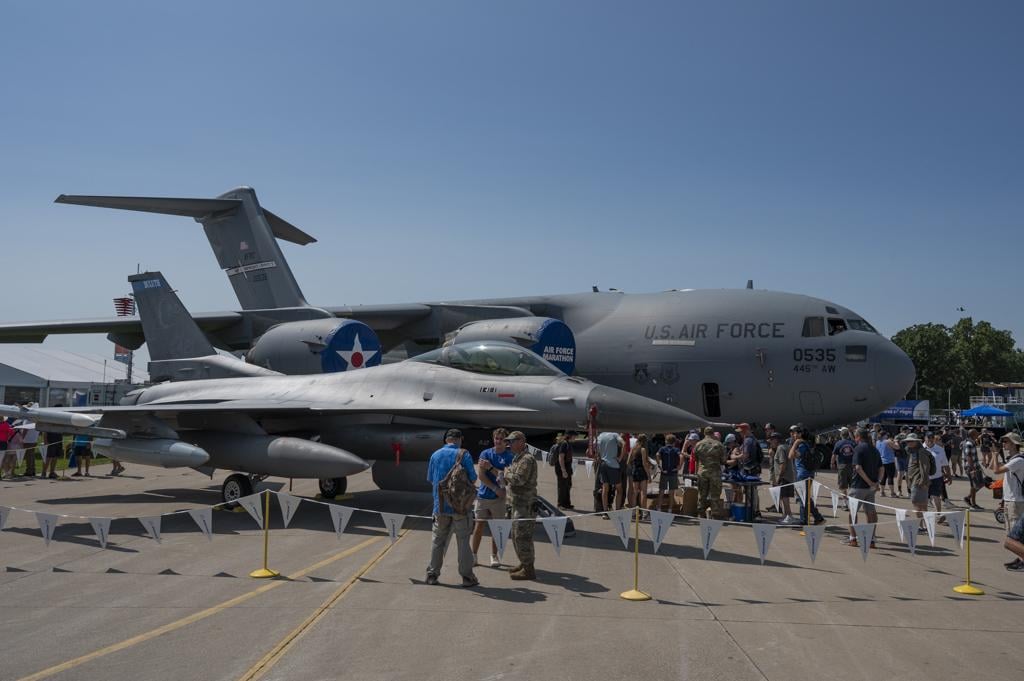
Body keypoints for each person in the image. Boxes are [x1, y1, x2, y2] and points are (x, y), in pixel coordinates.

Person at [425, 429, 479, 587]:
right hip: (461, 506)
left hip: (440, 506)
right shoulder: (464, 454)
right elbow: (473, 478)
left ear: (446, 439)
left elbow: (430, 479)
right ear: (459, 439)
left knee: (438, 541)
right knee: (463, 541)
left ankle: (432, 575)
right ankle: (467, 577)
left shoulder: (435, 455)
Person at [470, 427, 513, 567]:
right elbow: (481, 475)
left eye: (501, 439)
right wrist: (495, 487)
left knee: (497, 527)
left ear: (506, 442)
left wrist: (491, 469)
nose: (498, 441)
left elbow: (505, 479)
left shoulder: (509, 457)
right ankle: (474, 555)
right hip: (483, 496)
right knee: (479, 526)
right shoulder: (485, 453)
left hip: (499, 499)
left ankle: (494, 556)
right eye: (496, 438)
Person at [503, 431, 538, 581]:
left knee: (522, 537)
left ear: (521, 442)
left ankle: (529, 569)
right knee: (517, 536)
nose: (509, 444)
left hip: (524, 505)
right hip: (516, 503)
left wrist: (506, 474)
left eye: (512, 441)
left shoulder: (526, 459)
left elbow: (519, 480)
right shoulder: (518, 458)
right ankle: (524, 563)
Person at [843, 428, 881, 547]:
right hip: (871, 489)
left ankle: (853, 538)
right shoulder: (874, 449)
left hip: (858, 486)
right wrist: (876, 483)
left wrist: (869, 482)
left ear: (858, 436)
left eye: (855, 436)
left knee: (853, 513)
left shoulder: (858, 448)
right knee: (871, 513)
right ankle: (871, 540)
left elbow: (858, 468)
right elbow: (882, 468)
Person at [990, 433, 1024, 562]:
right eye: (1003, 441)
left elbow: (996, 471)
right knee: (1010, 531)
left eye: (1006, 442)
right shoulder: (1012, 459)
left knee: (1015, 536)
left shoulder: (1018, 460)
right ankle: (1020, 558)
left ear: (1014, 444)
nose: (1003, 444)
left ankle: (1022, 559)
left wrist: (994, 454)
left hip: (1016, 501)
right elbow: (992, 467)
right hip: (1010, 499)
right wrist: (995, 455)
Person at [789, 425, 824, 524]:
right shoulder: (808, 444)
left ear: (800, 434)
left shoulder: (802, 446)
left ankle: (803, 520)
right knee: (806, 498)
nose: (794, 435)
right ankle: (818, 517)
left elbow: (790, 455)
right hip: (808, 473)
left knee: (802, 498)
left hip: (803, 475)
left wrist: (795, 444)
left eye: (796, 433)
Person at [905, 434, 933, 533]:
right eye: (907, 441)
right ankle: (925, 526)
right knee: (922, 506)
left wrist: (923, 482)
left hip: (919, 482)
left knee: (918, 505)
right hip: (916, 481)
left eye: (911, 441)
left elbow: (925, 467)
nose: (908, 443)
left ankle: (921, 526)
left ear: (917, 442)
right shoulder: (913, 452)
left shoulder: (921, 452)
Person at [694, 426, 725, 517]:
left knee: (702, 494)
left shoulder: (698, 444)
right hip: (715, 473)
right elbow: (723, 460)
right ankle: (714, 514)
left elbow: (696, 458)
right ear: (713, 433)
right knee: (715, 495)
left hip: (702, 472)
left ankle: (701, 513)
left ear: (704, 433)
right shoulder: (719, 445)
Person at [768, 432, 796, 524]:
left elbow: (782, 464)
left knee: (785, 498)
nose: (770, 442)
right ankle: (785, 515)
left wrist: (779, 477)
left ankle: (789, 515)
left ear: (776, 439)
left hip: (784, 477)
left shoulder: (780, 448)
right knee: (784, 497)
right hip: (788, 476)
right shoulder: (786, 447)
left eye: (772, 440)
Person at [596, 431, 624, 515]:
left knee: (605, 488)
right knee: (619, 489)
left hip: (603, 464)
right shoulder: (615, 434)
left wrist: (599, 456)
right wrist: (620, 458)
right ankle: (618, 510)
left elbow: (596, 447)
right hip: (613, 465)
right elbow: (624, 444)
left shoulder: (600, 436)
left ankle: (605, 512)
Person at [925, 432, 952, 518]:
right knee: (924, 498)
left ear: (933, 439)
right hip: (924, 478)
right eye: (928, 438)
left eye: (931, 438)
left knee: (936, 496)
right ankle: (924, 516)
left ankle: (938, 515)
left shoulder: (940, 449)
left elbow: (945, 464)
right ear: (925, 438)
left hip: (937, 477)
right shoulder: (920, 449)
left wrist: (949, 476)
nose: (930, 440)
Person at [655, 434, 681, 512]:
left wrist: (659, 466)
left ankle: (659, 508)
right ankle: (670, 509)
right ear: (674, 442)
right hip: (673, 472)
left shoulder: (662, 449)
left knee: (662, 491)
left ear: (666, 441)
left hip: (664, 472)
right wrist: (678, 467)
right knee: (671, 492)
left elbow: (657, 455)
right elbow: (681, 456)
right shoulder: (676, 449)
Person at [831, 427, 856, 509]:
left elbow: (834, 455)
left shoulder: (838, 443)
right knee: (852, 486)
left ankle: (846, 504)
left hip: (842, 466)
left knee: (843, 486)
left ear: (841, 435)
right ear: (848, 435)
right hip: (852, 466)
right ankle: (852, 503)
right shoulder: (852, 443)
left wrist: (832, 463)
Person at [626, 434, 651, 514]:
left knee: (635, 492)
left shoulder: (633, 449)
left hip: (635, 471)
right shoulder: (643, 449)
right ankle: (644, 512)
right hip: (642, 472)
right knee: (643, 493)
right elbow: (644, 464)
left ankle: (633, 512)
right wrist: (649, 475)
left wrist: (634, 467)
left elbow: (628, 462)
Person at [961, 429, 984, 510]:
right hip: (971, 467)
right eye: (977, 433)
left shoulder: (972, 442)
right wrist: (973, 469)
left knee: (980, 484)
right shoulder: (968, 443)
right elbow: (968, 457)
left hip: (975, 466)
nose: (978, 434)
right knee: (974, 485)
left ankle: (968, 498)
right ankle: (973, 504)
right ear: (973, 435)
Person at [554, 432, 575, 510]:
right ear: (570, 436)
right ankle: (560, 504)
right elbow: (561, 457)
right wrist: (563, 470)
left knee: (568, 485)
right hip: (562, 468)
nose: (575, 438)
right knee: (562, 486)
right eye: (574, 436)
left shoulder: (568, 444)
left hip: (568, 468)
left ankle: (567, 503)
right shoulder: (564, 444)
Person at [876, 431, 897, 497]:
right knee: (890, 477)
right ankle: (892, 493)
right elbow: (897, 447)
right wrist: (896, 441)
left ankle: (882, 492)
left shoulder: (877, 442)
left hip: (881, 461)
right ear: (884, 435)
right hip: (889, 461)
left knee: (883, 477)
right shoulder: (887, 441)